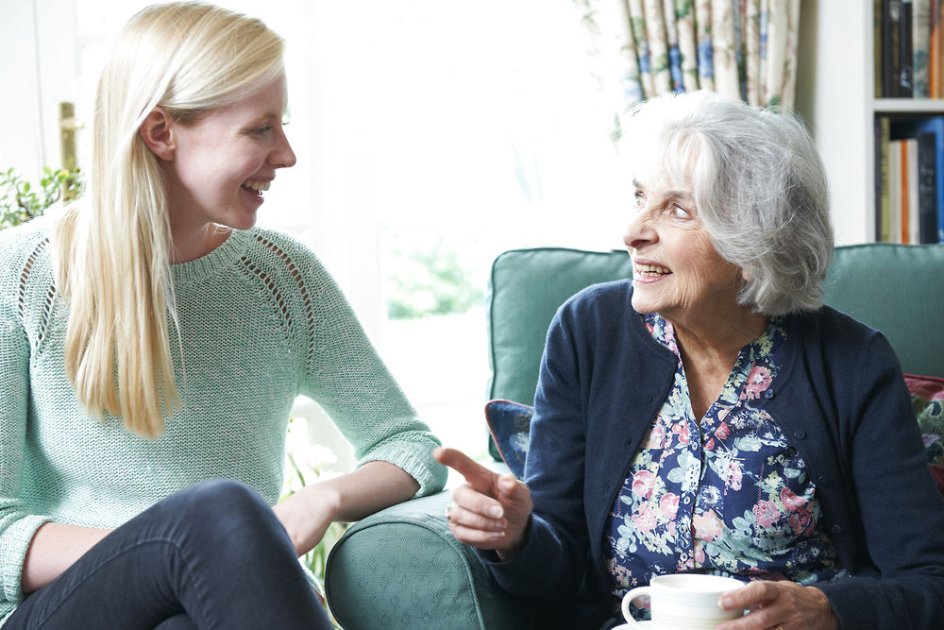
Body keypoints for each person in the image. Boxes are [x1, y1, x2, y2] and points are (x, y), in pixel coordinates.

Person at [0, 2, 446, 627]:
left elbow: (410, 446)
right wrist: (189, 554)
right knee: (214, 517)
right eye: (260, 129)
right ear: (161, 133)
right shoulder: (25, 272)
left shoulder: (283, 277)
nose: (287, 154)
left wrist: (324, 496)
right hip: (60, 610)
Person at [435, 90, 944, 629]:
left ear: (753, 245)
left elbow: (928, 582)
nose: (632, 234)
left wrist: (828, 610)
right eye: (639, 198)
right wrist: (516, 537)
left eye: (677, 209)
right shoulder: (588, 332)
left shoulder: (852, 364)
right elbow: (556, 569)